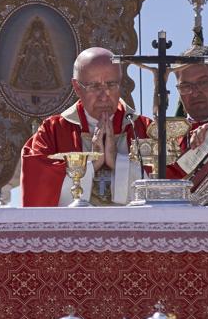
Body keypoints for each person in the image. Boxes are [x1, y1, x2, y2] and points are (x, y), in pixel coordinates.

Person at [21, 47, 161, 206]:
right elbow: (37, 189)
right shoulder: (53, 132)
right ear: (77, 87)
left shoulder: (145, 129)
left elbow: (166, 191)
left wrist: (118, 162)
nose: (104, 95)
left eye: (111, 84)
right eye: (94, 86)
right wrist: (92, 165)